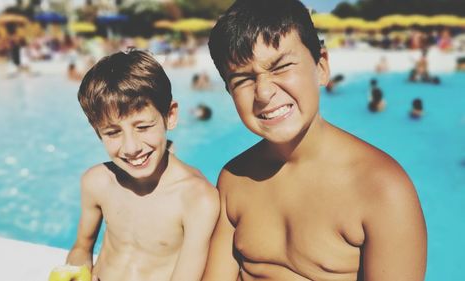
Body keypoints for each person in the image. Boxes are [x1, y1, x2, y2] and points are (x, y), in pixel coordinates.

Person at [202, 0, 427, 280]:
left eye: (281, 67)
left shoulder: (381, 189)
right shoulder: (235, 179)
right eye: (244, 80)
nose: (263, 92)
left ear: (321, 67)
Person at [63, 49, 219, 281]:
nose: (131, 147)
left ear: (171, 115)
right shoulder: (97, 182)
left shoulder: (196, 199)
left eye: (143, 127)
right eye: (113, 132)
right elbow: (81, 248)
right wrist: (75, 272)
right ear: (98, 133)